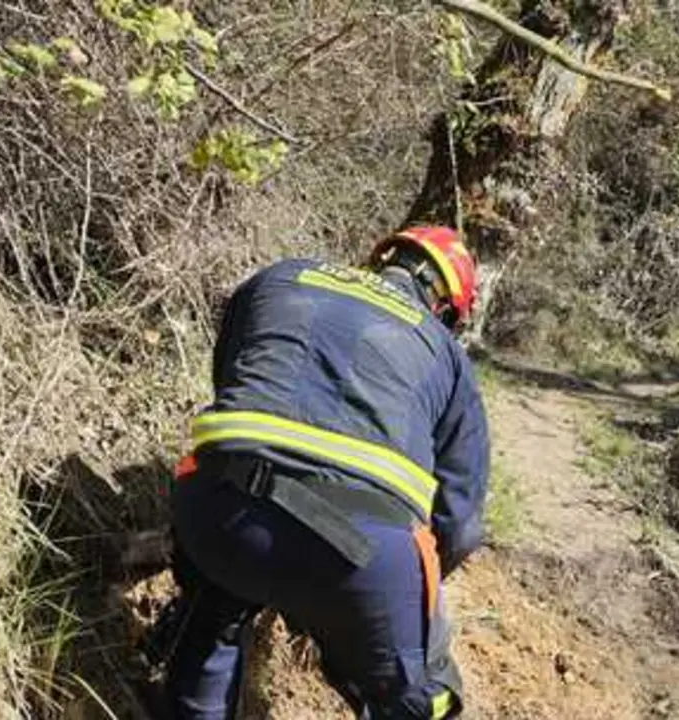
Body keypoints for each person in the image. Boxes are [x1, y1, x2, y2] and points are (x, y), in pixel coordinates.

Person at [150, 226, 490, 719]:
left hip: (218, 507)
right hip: (363, 553)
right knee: (425, 698)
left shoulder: (281, 276)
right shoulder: (446, 352)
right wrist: (382, 605)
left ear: (379, 258)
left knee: (213, 607)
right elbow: (458, 525)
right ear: (445, 308)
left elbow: (232, 379)